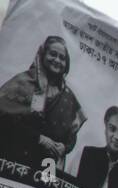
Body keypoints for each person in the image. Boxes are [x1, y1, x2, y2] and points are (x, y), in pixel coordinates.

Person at [0, 36, 85, 169]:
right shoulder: (23, 83)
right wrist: (38, 139)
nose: (57, 60)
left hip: (47, 167)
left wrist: (65, 147)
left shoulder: (69, 97)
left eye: (62, 58)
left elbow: (71, 135)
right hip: (14, 159)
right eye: (53, 54)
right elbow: (4, 118)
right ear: (42, 55)